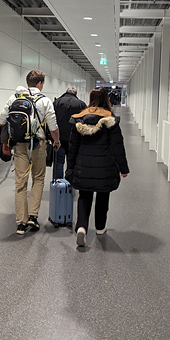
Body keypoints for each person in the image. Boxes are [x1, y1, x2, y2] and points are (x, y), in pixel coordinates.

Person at [66, 87, 129, 247]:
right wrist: (123, 168)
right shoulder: (111, 120)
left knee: (84, 196)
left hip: (83, 166)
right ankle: (100, 228)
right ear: (106, 99)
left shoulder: (79, 119)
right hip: (105, 167)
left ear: (90, 99)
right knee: (103, 196)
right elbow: (118, 146)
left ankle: (81, 227)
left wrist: (70, 167)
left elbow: (73, 148)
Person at [0, 70, 60, 235]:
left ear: (28, 82)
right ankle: (33, 216)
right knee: (38, 179)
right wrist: (56, 141)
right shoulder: (45, 101)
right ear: (40, 83)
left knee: (20, 183)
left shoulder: (14, 98)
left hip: (19, 145)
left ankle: (21, 223)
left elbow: (2, 120)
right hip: (38, 145)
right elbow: (53, 128)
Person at [53, 86, 87, 179]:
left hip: (59, 138)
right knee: (72, 162)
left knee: (58, 161)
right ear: (76, 94)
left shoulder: (57, 102)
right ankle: (70, 182)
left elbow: (51, 120)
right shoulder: (81, 104)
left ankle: (58, 183)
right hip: (74, 139)